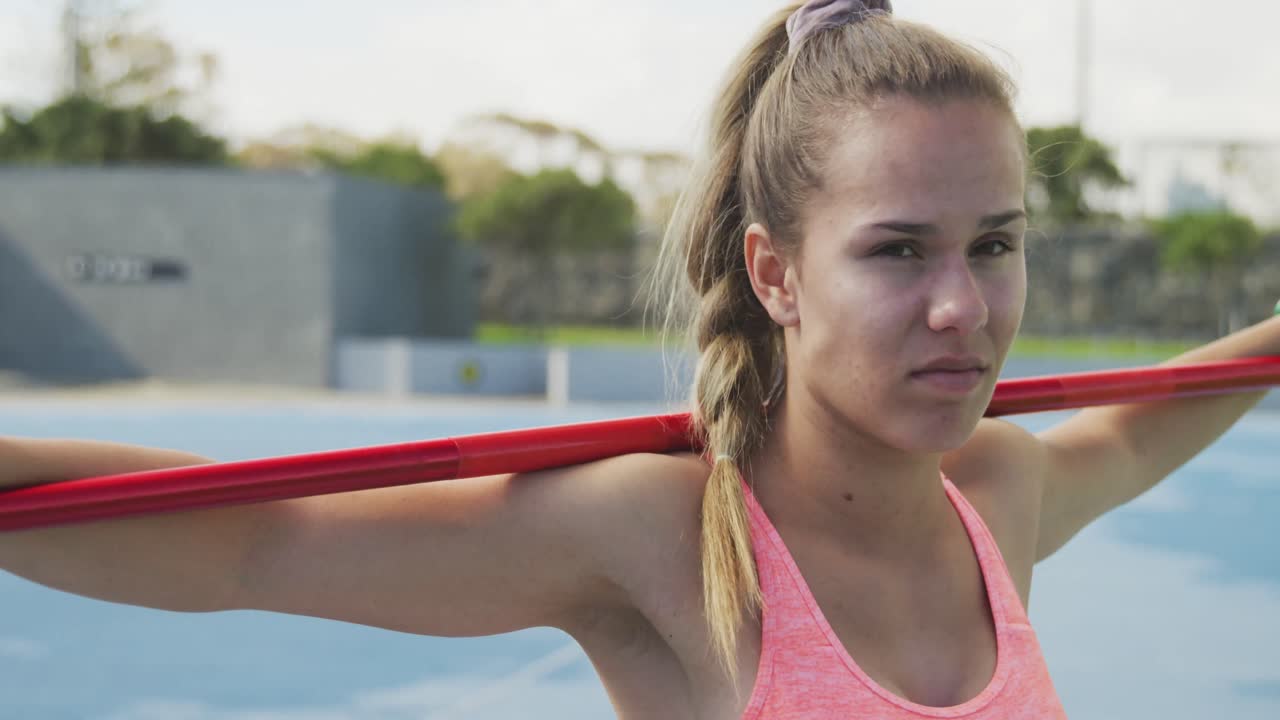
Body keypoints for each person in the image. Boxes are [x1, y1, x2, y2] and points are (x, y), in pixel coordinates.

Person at [1, 2, 1276, 717]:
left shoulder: (996, 489)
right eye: (896, 253)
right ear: (775, 272)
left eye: (991, 245)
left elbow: (1148, 423)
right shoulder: (666, 534)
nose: (962, 309)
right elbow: (250, 544)